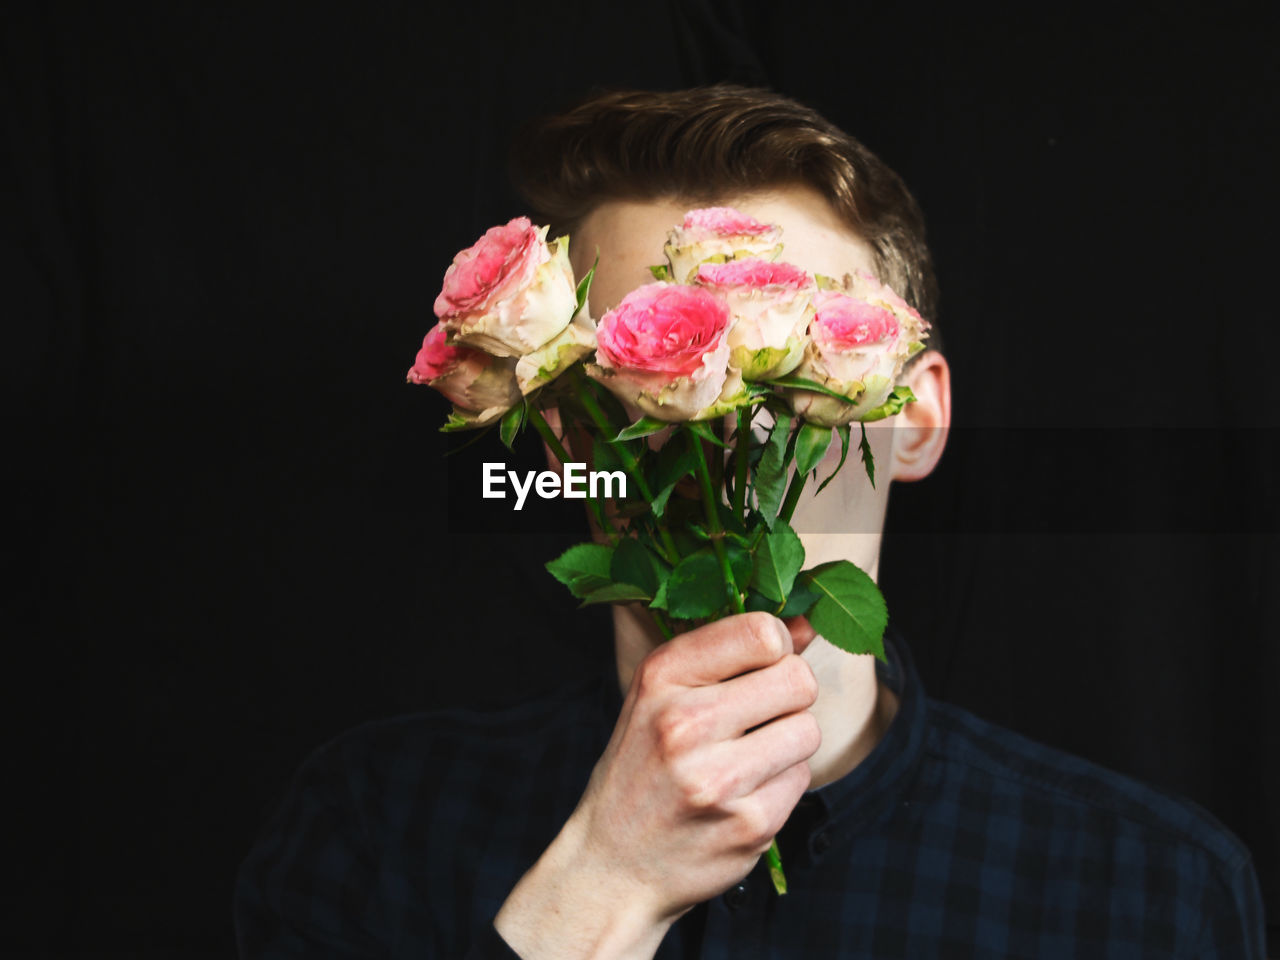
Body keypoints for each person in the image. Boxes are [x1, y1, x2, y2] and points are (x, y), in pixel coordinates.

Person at [235, 86, 1266, 958]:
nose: (719, 440)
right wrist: (600, 887)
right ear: (561, 437)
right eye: (639, 369)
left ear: (911, 417)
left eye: (782, 363)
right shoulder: (373, 826)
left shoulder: (1149, 894)